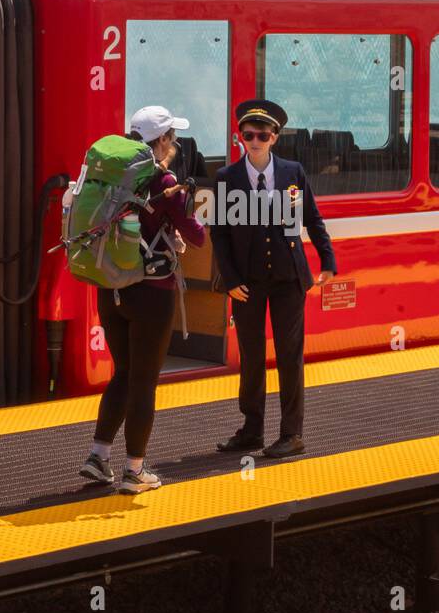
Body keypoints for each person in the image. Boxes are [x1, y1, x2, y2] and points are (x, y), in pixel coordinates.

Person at [79, 105, 206, 494]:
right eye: (173, 137)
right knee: (144, 381)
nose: (176, 144)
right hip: (152, 292)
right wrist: (184, 220)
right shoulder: (163, 181)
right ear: (163, 140)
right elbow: (198, 235)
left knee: (123, 372)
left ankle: (98, 456)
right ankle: (135, 470)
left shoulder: (112, 175)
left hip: (112, 288)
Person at [211, 99, 336, 459]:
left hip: (288, 280)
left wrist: (327, 260)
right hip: (247, 282)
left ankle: (291, 434)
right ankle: (251, 431)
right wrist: (230, 279)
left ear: (274, 137)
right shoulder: (226, 179)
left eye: (262, 135)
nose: (255, 140)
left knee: (288, 357)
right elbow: (219, 234)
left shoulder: (292, 172)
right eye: (248, 134)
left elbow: (312, 218)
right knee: (251, 357)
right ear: (240, 137)